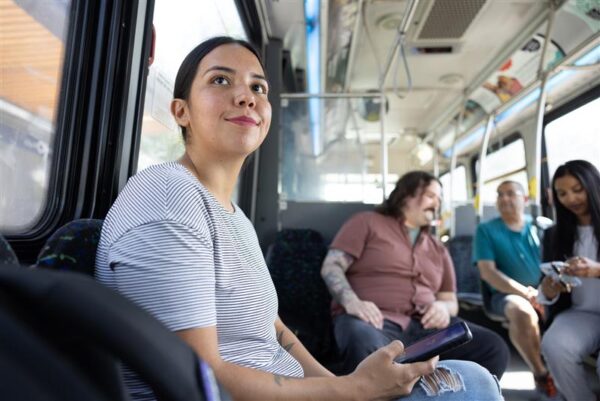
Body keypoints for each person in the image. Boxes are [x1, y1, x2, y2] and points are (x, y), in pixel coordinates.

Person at [95, 37, 503, 401]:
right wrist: (352, 391)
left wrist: (346, 387)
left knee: (475, 373)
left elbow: (273, 329)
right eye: (220, 80)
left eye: (258, 87)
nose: (246, 97)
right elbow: (194, 378)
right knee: (475, 385)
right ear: (181, 111)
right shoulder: (169, 196)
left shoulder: (234, 218)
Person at [321, 171, 509, 379]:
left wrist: (442, 307)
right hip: (374, 322)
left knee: (493, 347)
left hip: (426, 328)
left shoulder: (438, 248)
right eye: (430, 196)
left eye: (439, 199)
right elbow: (331, 266)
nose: (436, 204)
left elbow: (450, 300)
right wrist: (352, 302)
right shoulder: (366, 222)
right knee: (362, 342)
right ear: (406, 195)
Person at [473, 180, 556, 397]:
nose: (504, 198)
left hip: (546, 290)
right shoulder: (486, 230)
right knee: (522, 311)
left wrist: (544, 292)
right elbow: (488, 272)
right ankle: (541, 373)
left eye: (510, 193)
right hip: (505, 295)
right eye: (500, 194)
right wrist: (526, 294)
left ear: (525, 199)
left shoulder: (541, 228)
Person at [539, 160, 600, 401]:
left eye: (577, 190)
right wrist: (549, 288)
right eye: (562, 193)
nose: (571, 199)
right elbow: (545, 288)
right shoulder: (554, 234)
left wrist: (596, 271)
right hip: (581, 313)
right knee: (554, 344)